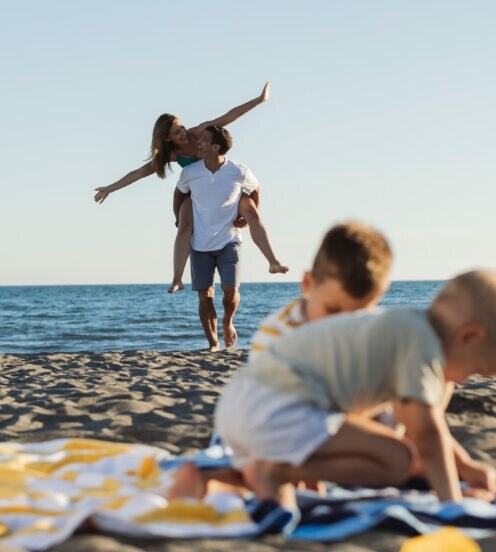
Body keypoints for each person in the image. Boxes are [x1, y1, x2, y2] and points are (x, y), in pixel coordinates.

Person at [168, 269, 496, 506]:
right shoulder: (421, 344)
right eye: (477, 370)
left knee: (377, 444)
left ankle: (207, 481)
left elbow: (425, 420)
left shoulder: (405, 328)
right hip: (279, 405)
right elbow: (429, 437)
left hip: (243, 403)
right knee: (397, 459)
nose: (465, 380)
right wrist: (453, 506)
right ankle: (277, 473)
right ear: (469, 336)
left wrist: (465, 466)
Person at [94, 82, 287, 293]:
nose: (183, 133)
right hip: (196, 191)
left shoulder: (199, 132)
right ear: (167, 138)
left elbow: (228, 117)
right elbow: (139, 173)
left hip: (222, 183)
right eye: (177, 133)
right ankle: (177, 279)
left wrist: (260, 100)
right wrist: (110, 188)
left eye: (182, 127)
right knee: (185, 226)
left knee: (251, 212)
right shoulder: (172, 155)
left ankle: (273, 261)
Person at [175, 125, 284, 352]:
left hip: (229, 240)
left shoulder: (239, 171)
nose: (198, 142)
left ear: (216, 147)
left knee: (230, 290)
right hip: (200, 242)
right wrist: (178, 218)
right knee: (205, 295)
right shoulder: (190, 172)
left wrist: (245, 216)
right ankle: (213, 343)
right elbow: (179, 193)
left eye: (204, 139)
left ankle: (228, 320)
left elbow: (255, 189)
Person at [249, 221, 393, 359]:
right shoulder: (276, 336)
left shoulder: (369, 330)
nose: (340, 326)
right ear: (308, 283)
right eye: (332, 310)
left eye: (356, 317)